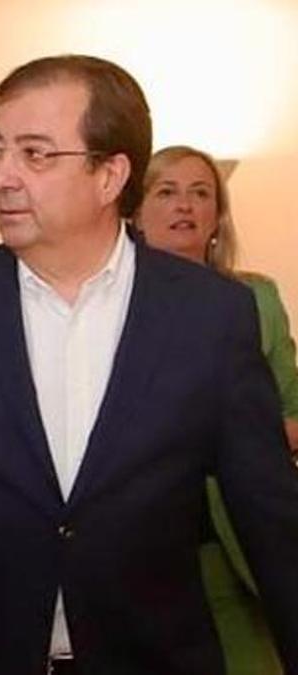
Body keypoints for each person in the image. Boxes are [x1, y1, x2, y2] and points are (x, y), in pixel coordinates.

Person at [0, 55, 298, 675]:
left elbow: (269, 513)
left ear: (110, 175)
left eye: (36, 154)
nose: (3, 177)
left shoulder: (211, 317)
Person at [136, 144, 298, 674]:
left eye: (200, 193)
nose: (185, 205)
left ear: (216, 217)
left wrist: (237, 438)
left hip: (234, 542)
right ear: (135, 211)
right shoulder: (107, 307)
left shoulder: (257, 299)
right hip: (142, 548)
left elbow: (291, 410)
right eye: (167, 192)